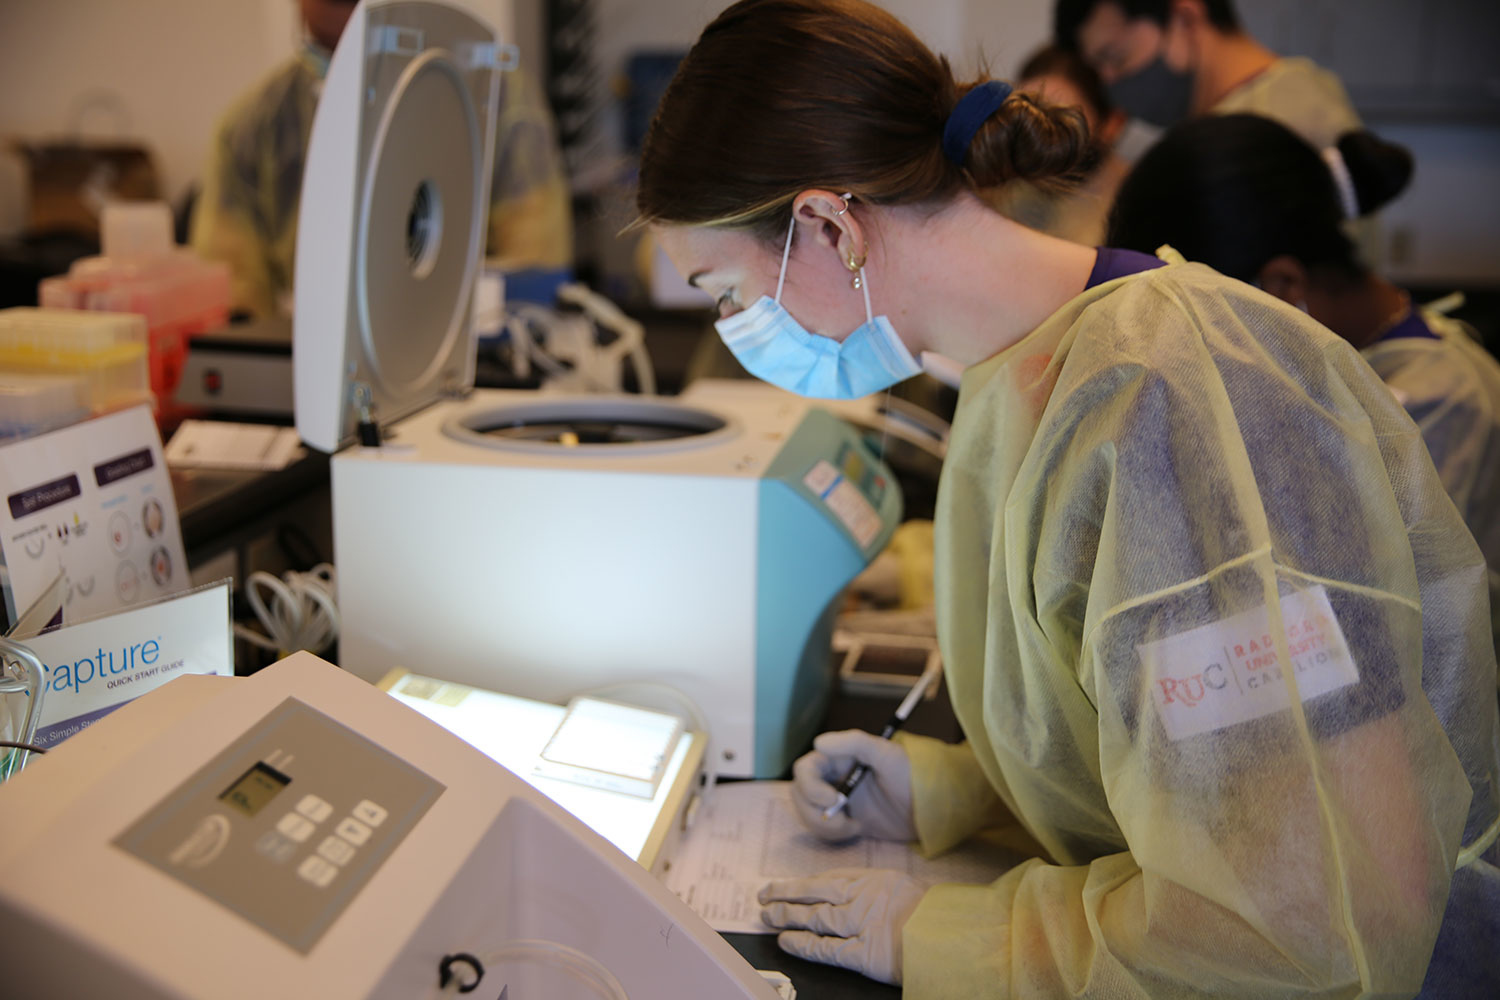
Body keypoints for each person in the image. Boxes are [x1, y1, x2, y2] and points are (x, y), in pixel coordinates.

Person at [636, 1, 1500, 996]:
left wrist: (956, 938)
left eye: (726, 294)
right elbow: (1187, 751)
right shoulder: (1016, 385)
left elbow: (1309, 918)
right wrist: (953, 791)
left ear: (830, 223)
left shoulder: (1176, 395)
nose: (739, 327)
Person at [1108, 112, 1500, 673]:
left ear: (1282, 288)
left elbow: (1377, 643)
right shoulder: (1345, 369)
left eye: (1195, 333)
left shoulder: (1441, 407)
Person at [191, 0, 572, 318]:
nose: (341, 72)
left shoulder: (496, 97)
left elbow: (534, 268)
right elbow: (234, 295)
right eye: (328, 52)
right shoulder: (252, 128)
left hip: (470, 357)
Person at [1053, 0, 1360, 148]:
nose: (1109, 81)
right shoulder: (1297, 90)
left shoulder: (1270, 125)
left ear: (1186, 17)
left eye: (1117, 58)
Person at [989, 44, 1131, 246]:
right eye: (1027, 114)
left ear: (1113, 123)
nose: (1037, 133)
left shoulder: (1138, 199)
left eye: (1061, 119)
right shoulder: (997, 190)